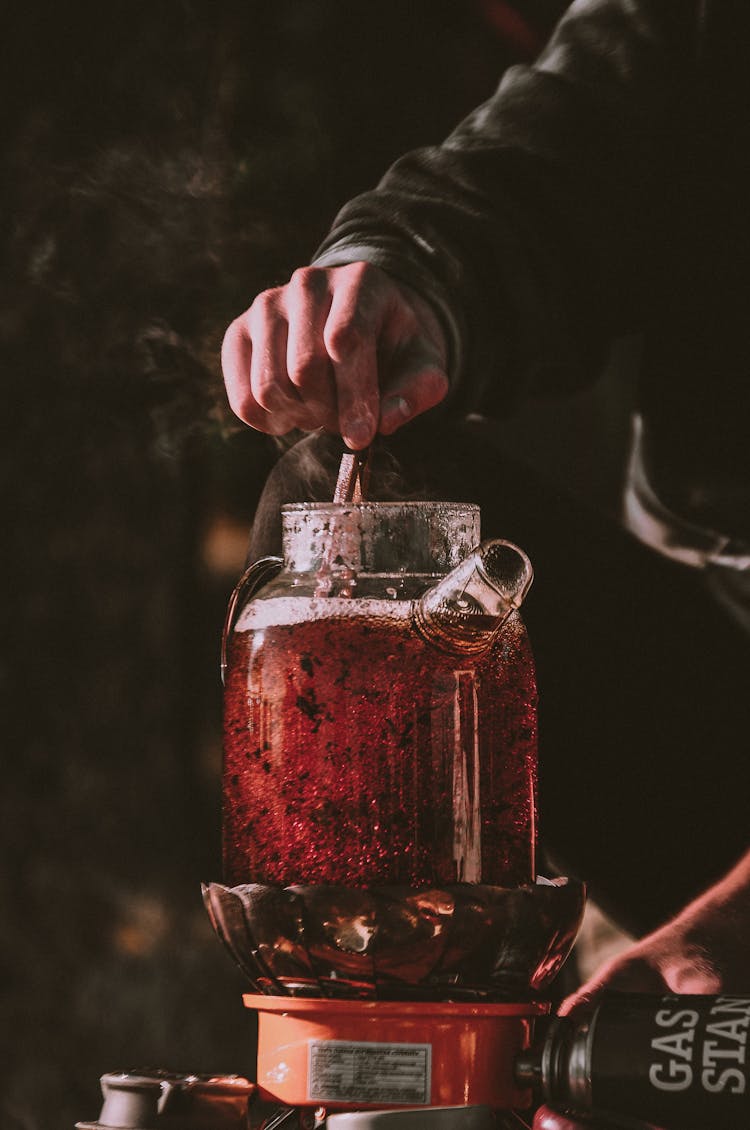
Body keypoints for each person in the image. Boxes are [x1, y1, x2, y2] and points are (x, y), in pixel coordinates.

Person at [222, 1, 750, 1124]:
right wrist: (400, 276)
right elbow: (574, 139)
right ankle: (402, 1065)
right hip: (719, 682)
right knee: (350, 484)